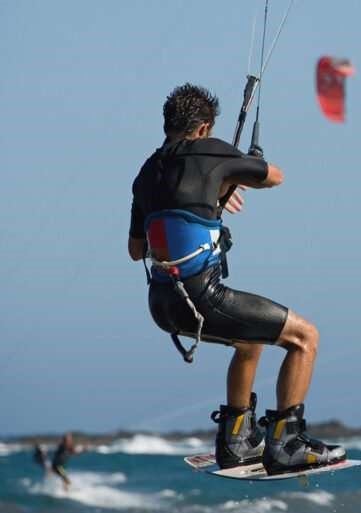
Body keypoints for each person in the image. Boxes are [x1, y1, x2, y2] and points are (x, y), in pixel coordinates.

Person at [128, 83, 345, 474]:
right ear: (203, 127)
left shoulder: (146, 173)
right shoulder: (211, 150)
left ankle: (236, 440)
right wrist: (245, 164)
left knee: (250, 341)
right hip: (202, 298)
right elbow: (274, 177)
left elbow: (135, 250)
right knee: (305, 337)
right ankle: (287, 444)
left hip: (163, 306)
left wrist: (213, 197)